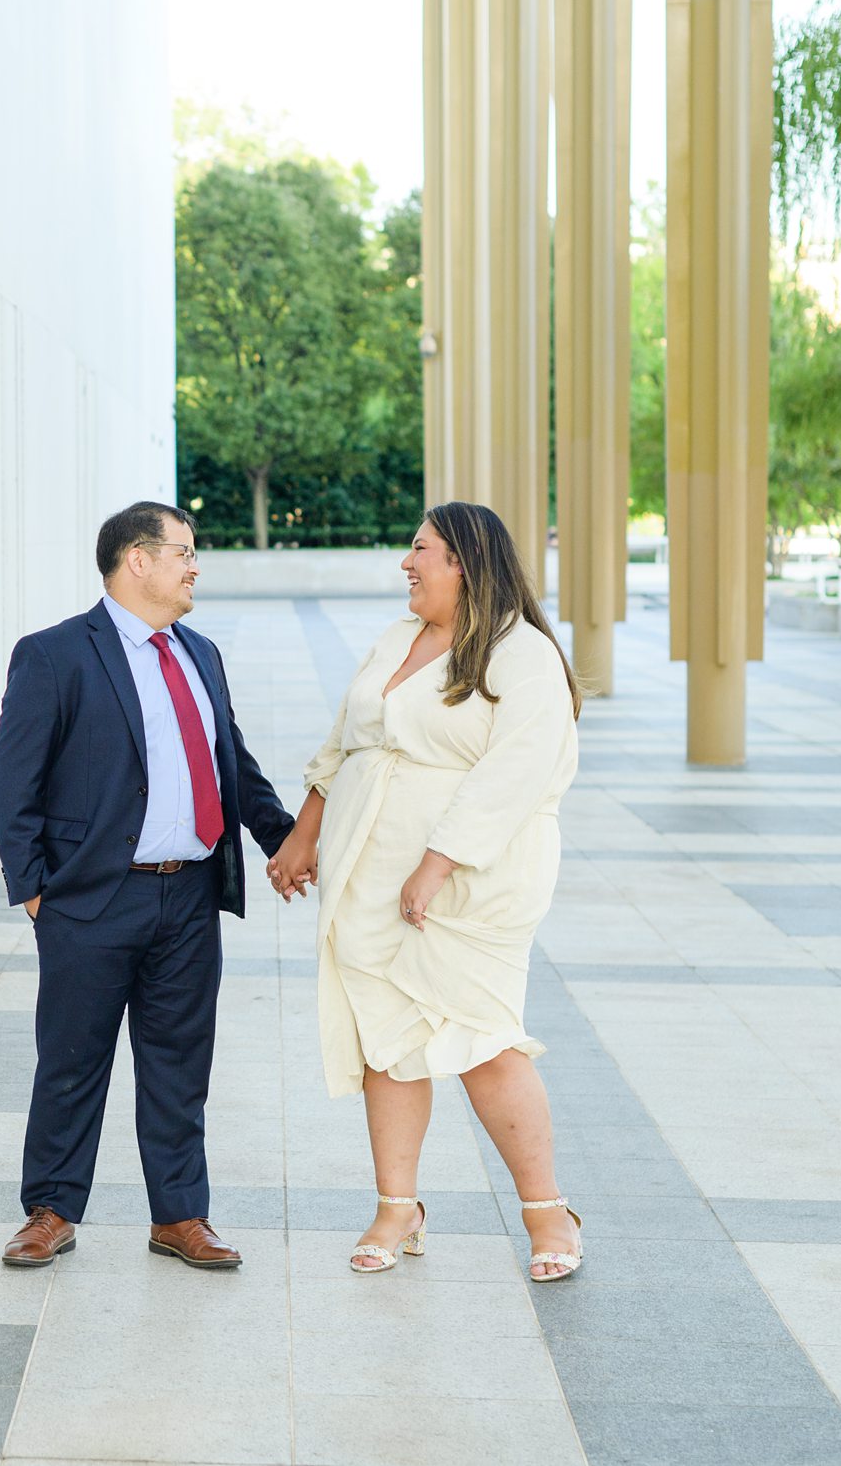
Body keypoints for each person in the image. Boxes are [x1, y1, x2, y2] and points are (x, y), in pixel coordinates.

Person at [263, 502, 586, 1282]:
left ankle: (547, 1211)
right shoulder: (395, 641)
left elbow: (517, 773)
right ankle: (396, 1205)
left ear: (465, 564)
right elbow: (346, 737)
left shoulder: (522, 654)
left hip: (471, 883)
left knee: (484, 1040)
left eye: (422, 550)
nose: (407, 563)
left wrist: (438, 862)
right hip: (369, 870)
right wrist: (305, 830)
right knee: (389, 1040)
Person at [0, 501, 298, 1270]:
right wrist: (35, 893)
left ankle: (180, 1215)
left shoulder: (201, 654)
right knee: (72, 1059)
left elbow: (235, 767)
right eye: (185, 552)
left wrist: (288, 839)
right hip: (90, 899)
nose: (195, 567)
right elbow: (12, 781)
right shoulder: (55, 654)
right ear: (137, 559)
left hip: (188, 896)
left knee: (179, 1062)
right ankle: (50, 1209)